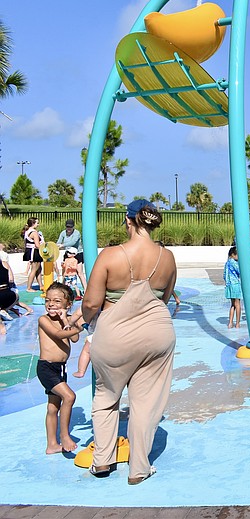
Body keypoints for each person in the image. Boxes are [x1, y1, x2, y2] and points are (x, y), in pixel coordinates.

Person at [81, 199, 177, 484]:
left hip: (115, 335)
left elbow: (90, 302)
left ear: (128, 220)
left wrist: (87, 320)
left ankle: (102, 462)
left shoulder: (111, 255)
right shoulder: (167, 257)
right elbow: (167, 296)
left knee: (106, 397)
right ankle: (139, 469)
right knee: (146, 404)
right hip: (157, 332)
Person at [37, 282, 84, 454]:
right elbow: (59, 335)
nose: (51, 304)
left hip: (60, 368)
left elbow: (75, 339)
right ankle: (64, 435)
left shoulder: (66, 319)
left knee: (53, 407)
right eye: (48, 300)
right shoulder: (44, 320)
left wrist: (66, 319)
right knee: (69, 396)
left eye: (57, 301)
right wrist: (81, 326)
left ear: (68, 304)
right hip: (46, 368)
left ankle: (52, 445)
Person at [57, 219, 86, 287]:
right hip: (68, 254)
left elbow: (73, 242)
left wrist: (62, 245)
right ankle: (63, 288)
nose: (69, 228)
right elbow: (59, 242)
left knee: (80, 273)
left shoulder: (77, 233)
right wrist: (56, 246)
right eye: (67, 227)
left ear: (73, 226)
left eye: (70, 227)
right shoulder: (63, 233)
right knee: (64, 272)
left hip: (77, 254)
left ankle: (85, 289)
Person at [23, 217, 44, 292]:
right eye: (37, 223)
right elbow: (37, 245)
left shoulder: (27, 231)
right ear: (33, 223)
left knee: (39, 269)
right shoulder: (34, 233)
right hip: (34, 251)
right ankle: (29, 287)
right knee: (34, 269)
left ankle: (41, 285)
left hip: (30, 250)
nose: (38, 224)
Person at [223, 246, 241, 328]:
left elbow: (224, 275)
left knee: (232, 305)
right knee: (238, 304)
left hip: (229, 286)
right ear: (233, 255)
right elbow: (240, 271)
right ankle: (237, 323)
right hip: (235, 285)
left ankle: (230, 323)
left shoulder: (227, 263)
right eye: (238, 255)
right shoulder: (234, 262)